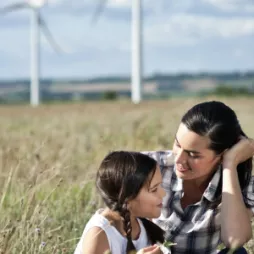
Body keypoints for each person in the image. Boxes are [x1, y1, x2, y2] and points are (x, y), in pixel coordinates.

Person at [144, 101, 254, 254]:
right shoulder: (149, 167)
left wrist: (229, 165)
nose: (179, 160)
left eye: (193, 155)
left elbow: (235, 241)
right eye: (177, 145)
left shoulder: (240, 181)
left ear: (221, 154)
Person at [74, 151, 168, 254]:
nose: (163, 193)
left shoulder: (142, 224)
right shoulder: (99, 233)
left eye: (160, 186)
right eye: (154, 189)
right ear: (128, 197)